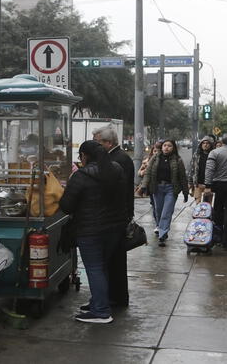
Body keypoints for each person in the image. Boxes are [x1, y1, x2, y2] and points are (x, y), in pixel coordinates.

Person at [60, 140, 125, 324]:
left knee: (95, 268)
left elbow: (66, 206)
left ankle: (101, 312)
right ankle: (98, 302)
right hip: (114, 228)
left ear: (85, 156)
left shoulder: (81, 176)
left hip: (90, 230)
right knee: (101, 266)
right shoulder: (117, 170)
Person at [93, 125, 134, 307]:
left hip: (115, 218)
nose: (95, 147)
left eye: (97, 142)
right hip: (116, 216)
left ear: (108, 143)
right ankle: (113, 296)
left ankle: (115, 298)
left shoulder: (119, 160)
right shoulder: (114, 157)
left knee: (115, 260)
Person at [137, 140, 188, 246]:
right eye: (165, 145)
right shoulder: (155, 158)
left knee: (166, 212)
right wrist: (143, 187)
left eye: (169, 146)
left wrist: (185, 192)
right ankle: (161, 228)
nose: (166, 148)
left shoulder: (178, 160)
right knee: (159, 211)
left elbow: (183, 177)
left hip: (171, 189)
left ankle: (162, 234)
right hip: (157, 188)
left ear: (173, 148)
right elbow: (148, 174)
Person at [189, 136, 215, 203]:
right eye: (203, 143)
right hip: (198, 183)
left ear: (210, 145)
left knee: (207, 205)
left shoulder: (214, 155)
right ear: (201, 144)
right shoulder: (197, 155)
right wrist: (190, 182)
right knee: (198, 204)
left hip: (209, 184)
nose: (205, 145)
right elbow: (192, 168)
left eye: (207, 143)